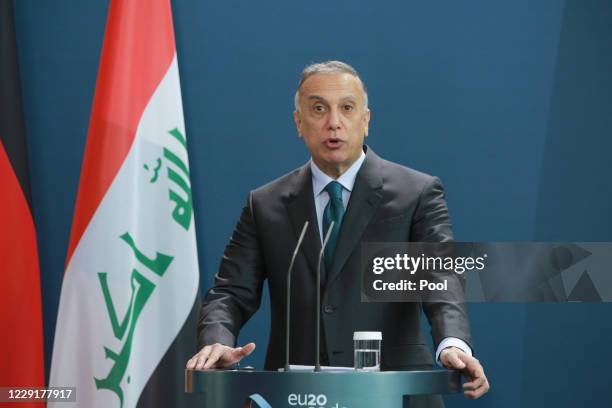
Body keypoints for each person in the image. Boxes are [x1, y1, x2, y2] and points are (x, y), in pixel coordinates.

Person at [187, 61, 489, 401]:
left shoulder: (416, 193)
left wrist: (452, 342)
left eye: (347, 108)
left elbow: (440, 279)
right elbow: (231, 291)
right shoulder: (265, 203)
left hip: (391, 393)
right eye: (318, 109)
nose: (334, 122)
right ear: (299, 123)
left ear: (366, 120)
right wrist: (217, 339)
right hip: (297, 395)